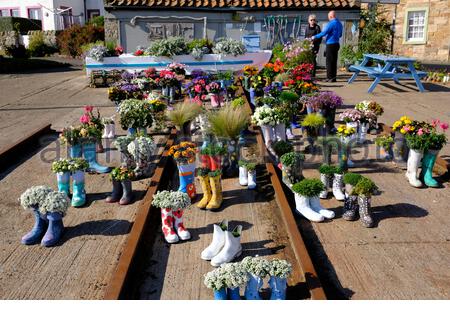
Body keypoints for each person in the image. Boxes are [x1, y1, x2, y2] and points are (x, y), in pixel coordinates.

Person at [312, 11, 343, 82]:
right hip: (336, 44)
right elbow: (340, 35)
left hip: (330, 44)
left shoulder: (331, 23)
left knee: (329, 62)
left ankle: (329, 78)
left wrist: (315, 37)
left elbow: (324, 32)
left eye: (328, 17)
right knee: (334, 61)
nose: (328, 18)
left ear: (331, 16)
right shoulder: (339, 23)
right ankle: (333, 78)